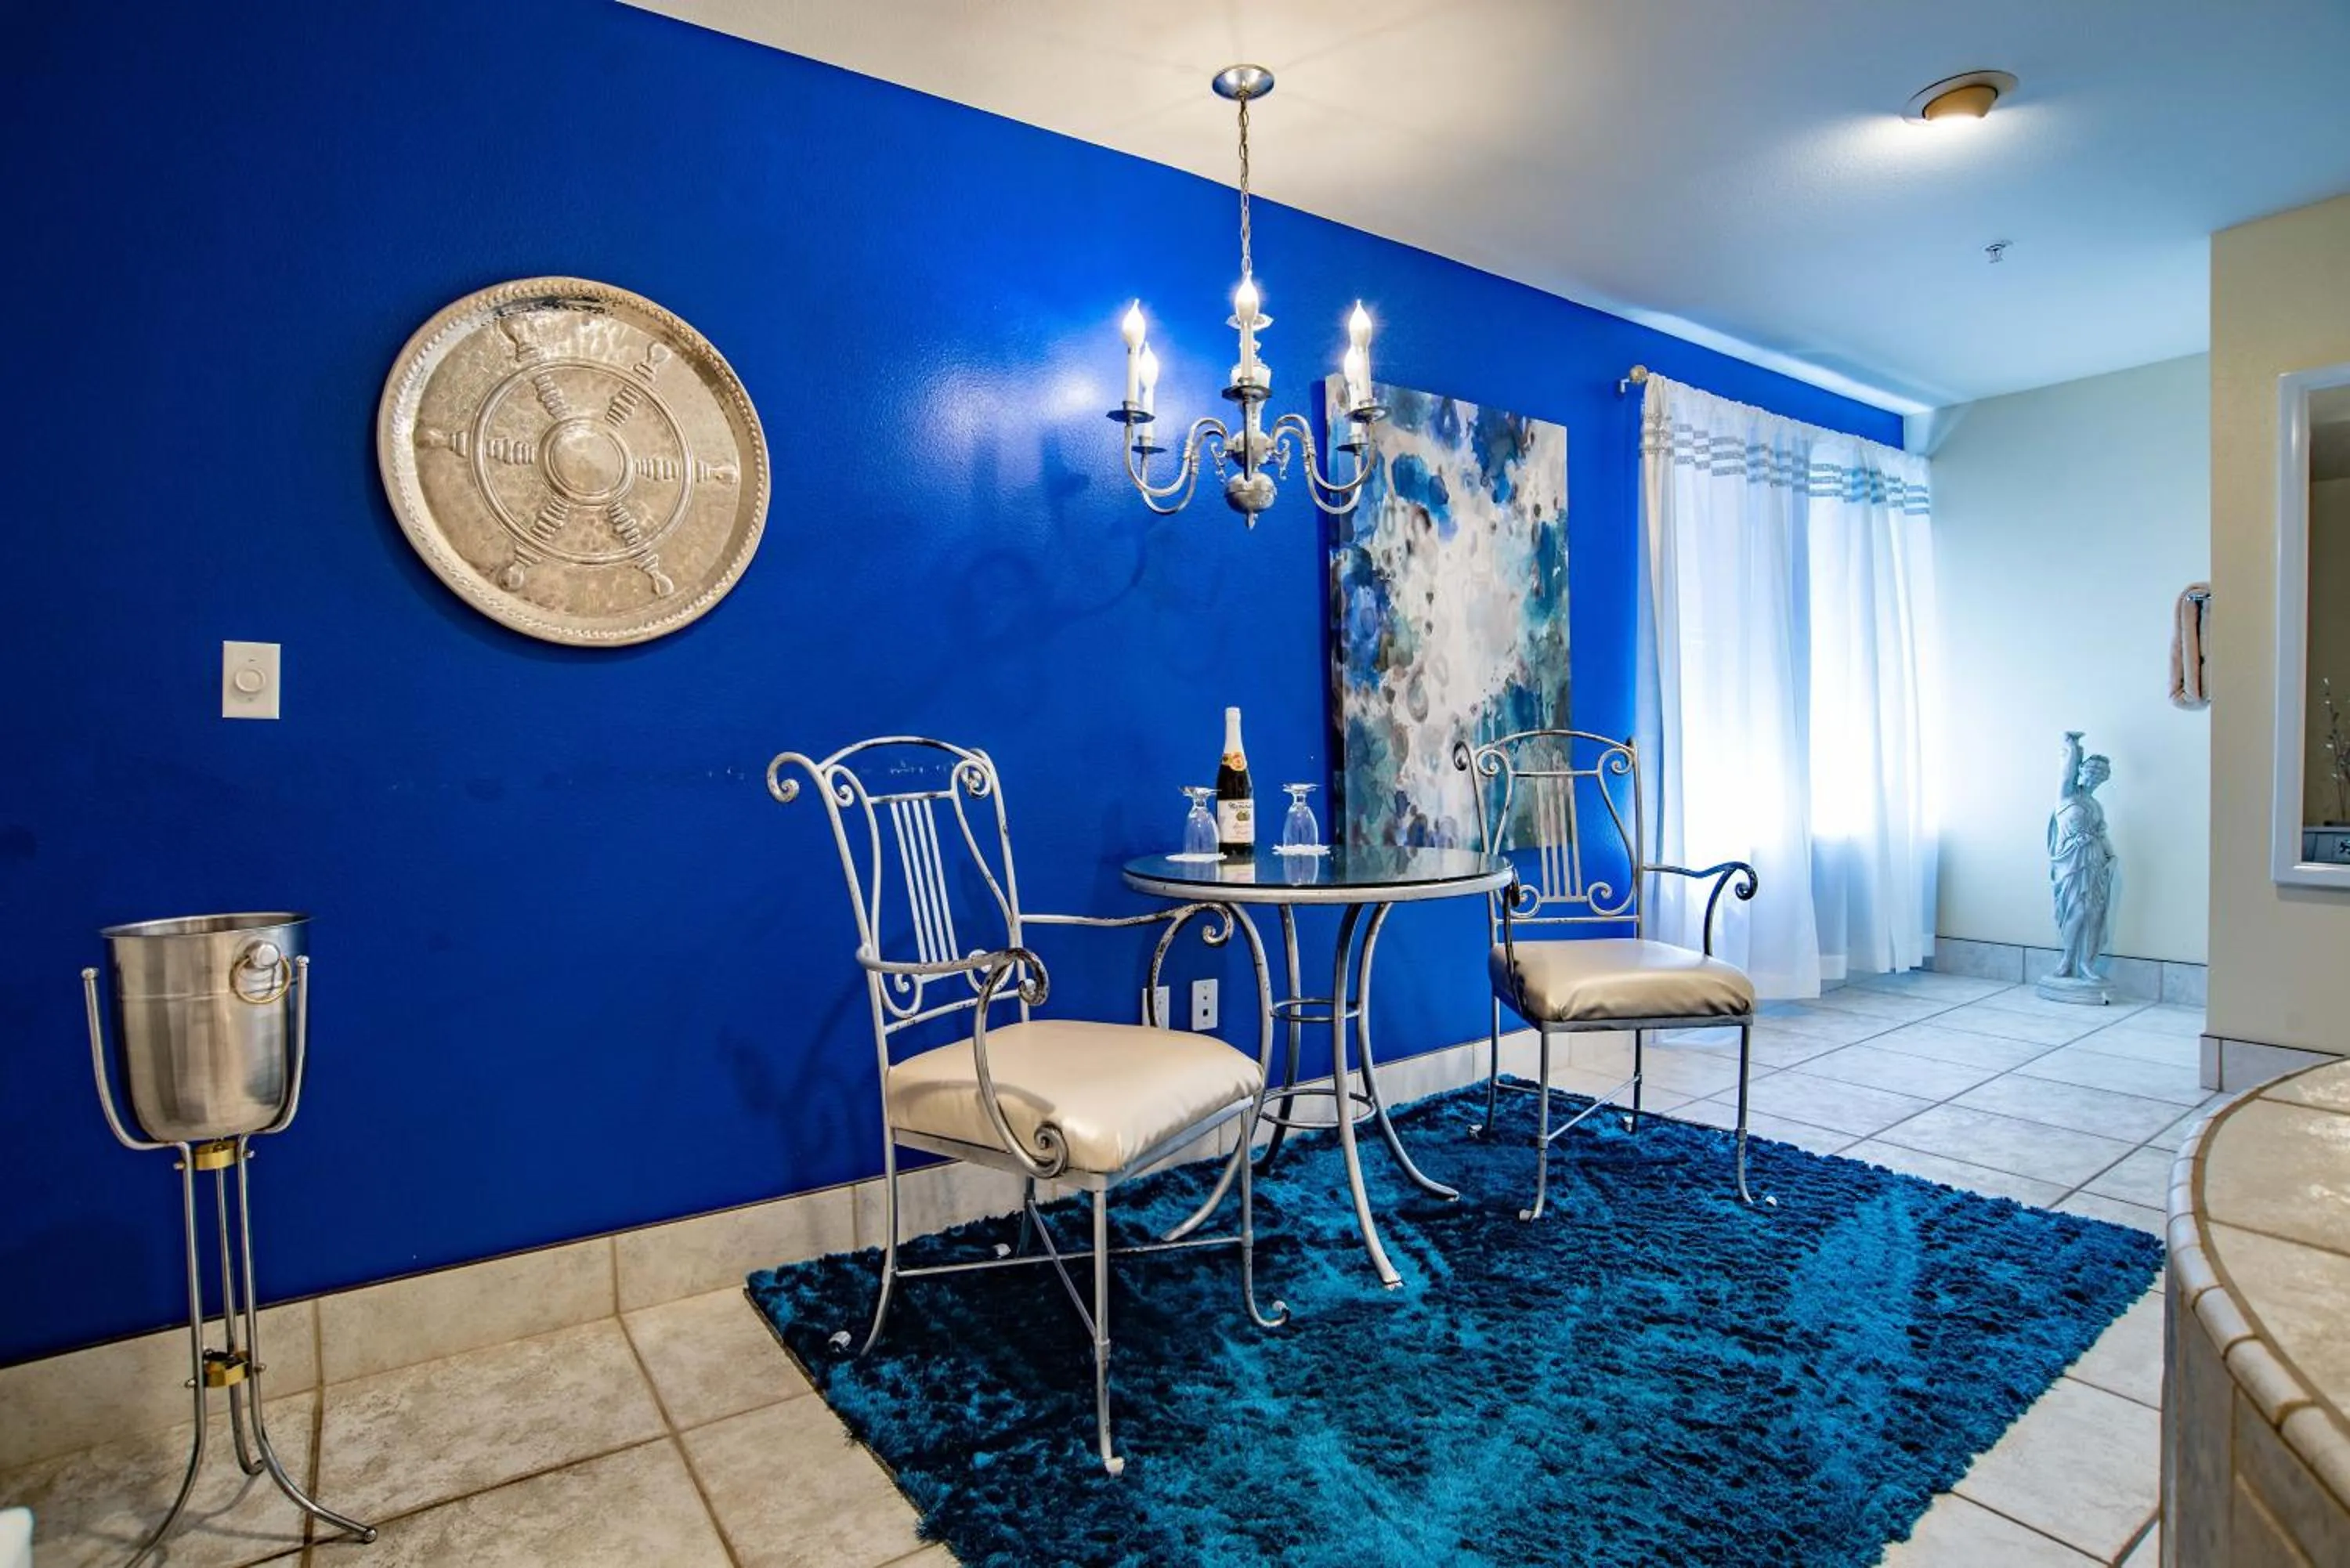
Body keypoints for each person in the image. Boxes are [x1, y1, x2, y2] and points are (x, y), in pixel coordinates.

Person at [2048, 731, 2116, 983]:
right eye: (2091, 771)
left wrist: (2112, 856)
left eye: (2100, 775)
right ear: (2082, 771)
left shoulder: (2096, 806)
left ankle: (2086, 964)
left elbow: (2102, 834)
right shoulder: (2066, 796)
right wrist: (2073, 746)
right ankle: (2067, 961)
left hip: (2094, 860)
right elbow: (2066, 773)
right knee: (2076, 911)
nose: (2094, 777)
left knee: (2094, 913)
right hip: (2071, 862)